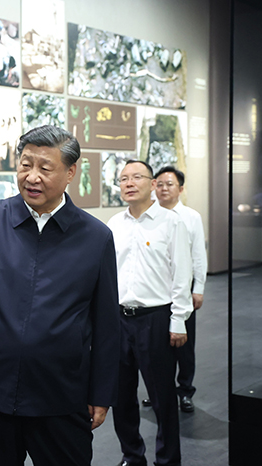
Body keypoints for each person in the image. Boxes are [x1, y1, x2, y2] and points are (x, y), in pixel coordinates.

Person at [0, 125, 120, 465]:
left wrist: (102, 392)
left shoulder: (95, 237)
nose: (32, 177)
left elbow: (107, 323)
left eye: (45, 168)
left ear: (70, 172)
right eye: (25, 165)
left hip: (61, 395)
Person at [108, 159, 192, 466]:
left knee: (162, 397)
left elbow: (182, 273)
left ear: (152, 183)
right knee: (121, 395)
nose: (129, 183)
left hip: (155, 319)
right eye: (123, 179)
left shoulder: (171, 223)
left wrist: (179, 319)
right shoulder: (114, 225)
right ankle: (132, 455)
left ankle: (168, 460)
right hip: (118, 319)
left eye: (136, 177)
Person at [153, 165, 207, 413]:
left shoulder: (191, 217)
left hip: (184, 290)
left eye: (169, 184)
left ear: (181, 189)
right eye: (160, 184)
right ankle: (159, 391)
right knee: (158, 348)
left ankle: (185, 390)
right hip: (157, 292)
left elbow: (198, 256)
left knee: (184, 345)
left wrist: (199, 288)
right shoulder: (150, 216)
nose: (164, 188)